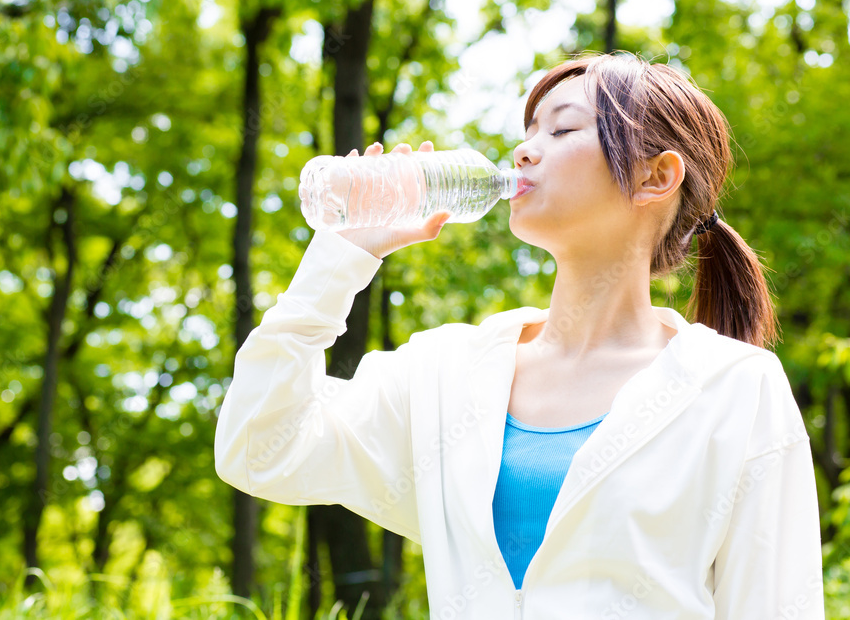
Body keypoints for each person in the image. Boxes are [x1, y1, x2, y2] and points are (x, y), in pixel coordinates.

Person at [215, 52, 824, 619]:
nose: (524, 151)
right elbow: (259, 451)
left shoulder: (733, 388)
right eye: (529, 132)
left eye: (561, 131)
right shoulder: (447, 372)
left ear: (654, 177)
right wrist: (338, 262)